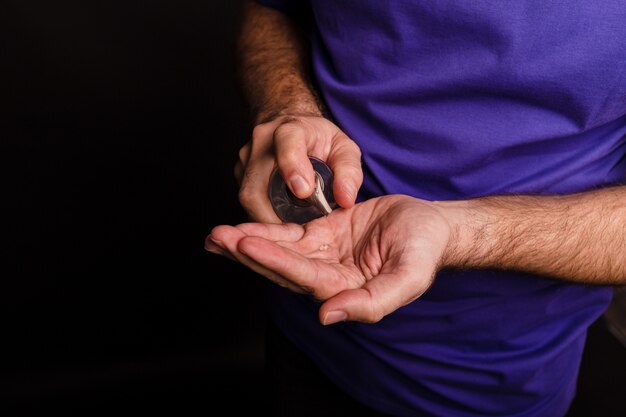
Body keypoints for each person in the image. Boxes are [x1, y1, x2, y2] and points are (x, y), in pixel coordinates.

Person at [205, 1, 626, 416]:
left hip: (499, 378)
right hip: (304, 320)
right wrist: (285, 109)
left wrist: (457, 232)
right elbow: (271, 11)